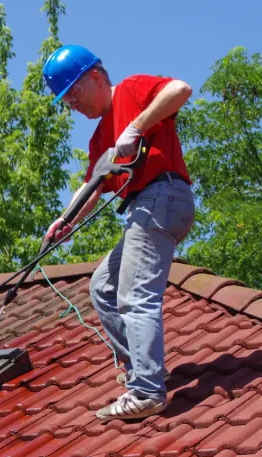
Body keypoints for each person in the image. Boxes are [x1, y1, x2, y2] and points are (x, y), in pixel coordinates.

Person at [40, 45, 196, 421]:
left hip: (163, 195)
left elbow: (181, 89)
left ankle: (147, 390)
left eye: (74, 92)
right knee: (103, 288)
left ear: (96, 76)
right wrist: (66, 220)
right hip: (147, 206)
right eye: (66, 100)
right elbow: (94, 185)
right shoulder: (99, 140)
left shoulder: (131, 90)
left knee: (134, 293)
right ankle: (142, 371)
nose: (72, 104)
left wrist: (137, 126)